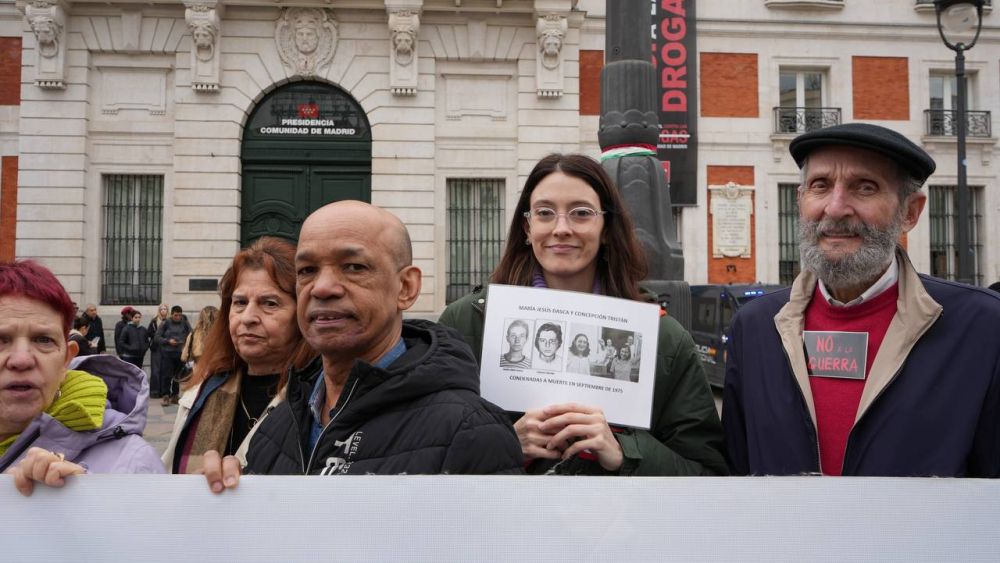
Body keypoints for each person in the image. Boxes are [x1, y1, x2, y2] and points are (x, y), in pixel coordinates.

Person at [722, 123, 1000, 477]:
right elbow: (735, 473)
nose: (835, 209)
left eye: (864, 187)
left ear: (911, 211)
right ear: (800, 200)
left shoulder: (983, 328)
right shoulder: (756, 328)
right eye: (820, 186)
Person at [202, 201, 523, 491]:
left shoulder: (471, 432)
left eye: (354, 267)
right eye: (307, 271)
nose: (322, 287)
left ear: (406, 287)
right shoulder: (278, 425)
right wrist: (234, 499)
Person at [439, 153, 727, 476]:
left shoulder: (665, 340)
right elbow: (426, 454)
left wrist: (623, 452)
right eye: (545, 213)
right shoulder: (465, 324)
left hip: (617, 525)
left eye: (581, 213)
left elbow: (709, 475)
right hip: (504, 524)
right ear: (527, 226)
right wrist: (504, 444)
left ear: (606, 228)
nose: (561, 228)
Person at [0, 260, 164, 496]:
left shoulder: (133, 464)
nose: (22, 359)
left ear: (67, 359)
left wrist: (86, 504)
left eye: (43, 340)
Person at [162, 238, 315, 474]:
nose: (247, 317)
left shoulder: (320, 401)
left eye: (270, 303)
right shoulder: (199, 396)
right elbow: (165, 479)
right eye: (240, 302)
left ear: (302, 315)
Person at [155, 305, 191, 406]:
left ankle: (175, 396)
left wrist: (186, 344)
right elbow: (157, 337)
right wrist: (168, 341)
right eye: (176, 315)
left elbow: (191, 334)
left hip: (180, 353)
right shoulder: (166, 323)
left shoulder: (185, 323)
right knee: (167, 375)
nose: (178, 317)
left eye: (180, 315)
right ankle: (166, 396)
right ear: (172, 314)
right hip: (167, 353)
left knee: (178, 376)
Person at [181, 305, 218, 371]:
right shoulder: (222, 335)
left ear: (201, 318)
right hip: (218, 374)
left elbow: (184, 357)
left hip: (198, 373)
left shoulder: (193, 334)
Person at [147, 304, 169, 399]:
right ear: (159, 310)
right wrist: (157, 334)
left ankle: (164, 392)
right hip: (156, 347)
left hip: (166, 348)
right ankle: (154, 391)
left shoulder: (170, 321)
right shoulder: (154, 321)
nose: (163, 311)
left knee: (165, 370)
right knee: (155, 370)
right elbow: (148, 332)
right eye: (161, 309)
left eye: (165, 309)